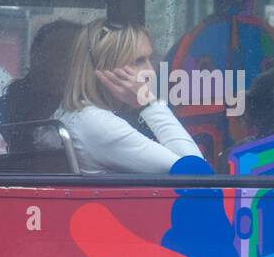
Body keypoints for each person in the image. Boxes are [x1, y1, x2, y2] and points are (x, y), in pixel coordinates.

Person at [57, 19, 203, 174]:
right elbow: (198, 175)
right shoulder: (97, 124)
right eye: (138, 61)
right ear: (105, 68)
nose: (151, 72)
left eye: (150, 60)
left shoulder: (77, 114)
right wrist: (149, 103)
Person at [0, 19, 81, 153]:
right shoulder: (17, 100)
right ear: (36, 55)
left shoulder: (93, 107)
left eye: (70, 53)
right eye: (55, 50)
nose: (61, 61)